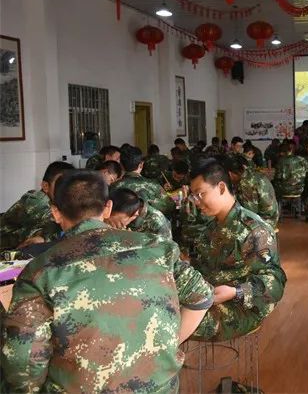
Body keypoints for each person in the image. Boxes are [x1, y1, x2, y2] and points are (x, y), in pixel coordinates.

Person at [0, 170, 213, 392]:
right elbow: (202, 296)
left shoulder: (40, 272)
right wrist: (166, 347)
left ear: (55, 213)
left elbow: (22, 366)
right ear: (108, 207)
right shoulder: (159, 248)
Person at [187, 161, 286, 340]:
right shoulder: (212, 226)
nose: (197, 202)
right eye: (193, 196)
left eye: (201, 194)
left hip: (242, 307)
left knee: (169, 323)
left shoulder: (254, 230)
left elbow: (275, 284)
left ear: (221, 188)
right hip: (210, 295)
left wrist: (236, 292)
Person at [0, 161, 74, 249]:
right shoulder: (37, 200)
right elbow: (60, 221)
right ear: (45, 186)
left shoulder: (57, 203)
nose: (66, 190)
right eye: (60, 185)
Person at [110, 145, 176, 218]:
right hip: (150, 224)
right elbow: (170, 206)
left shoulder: (113, 187)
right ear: (141, 164)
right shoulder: (153, 185)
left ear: (121, 165)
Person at [224, 154, 279, 230]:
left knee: (226, 227)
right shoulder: (253, 174)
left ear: (229, 174)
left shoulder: (245, 183)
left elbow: (250, 213)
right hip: (271, 218)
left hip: (264, 223)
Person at [106, 188, 171, 242]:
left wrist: (133, 241)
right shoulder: (120, 196)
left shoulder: (158, 223)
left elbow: (167, 249)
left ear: (135, 215)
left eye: (119, 224)